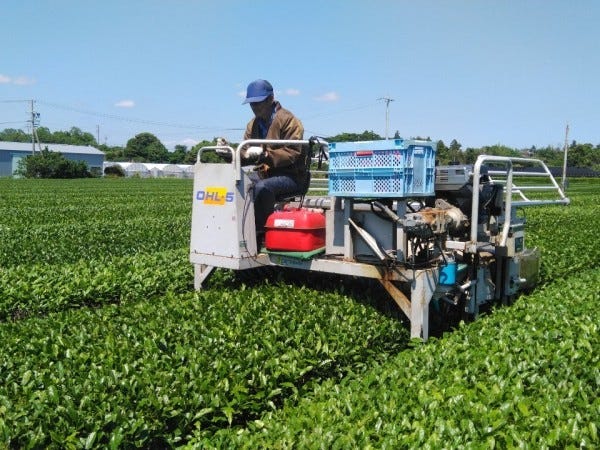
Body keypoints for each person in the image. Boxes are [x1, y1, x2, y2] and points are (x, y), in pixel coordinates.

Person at [240, 79, 308, 248]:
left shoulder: (288, 120)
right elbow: (245, 151)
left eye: (258, 102)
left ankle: (262, 235)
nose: (255, 107)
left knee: (262, 188)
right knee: (240, 183)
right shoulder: (253, 124)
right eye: (252, 104)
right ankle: (241, 231)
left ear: (271, 99)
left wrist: (265, 155)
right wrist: (231, 155)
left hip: (291, 176)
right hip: (266, 174)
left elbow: (293, 152)